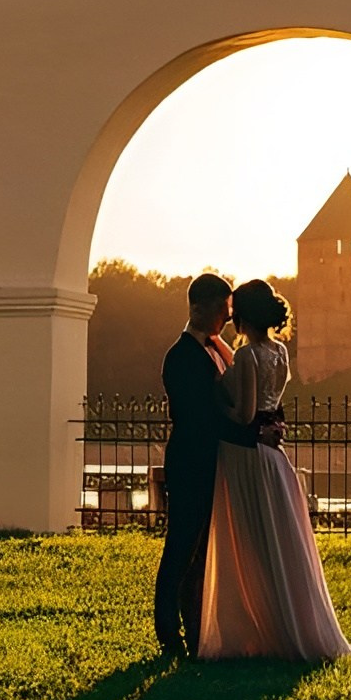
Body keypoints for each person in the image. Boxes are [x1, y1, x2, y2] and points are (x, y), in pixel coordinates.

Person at [198, 278, 351, 662]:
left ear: (242, 316)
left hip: (245, 455)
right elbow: (268, 403)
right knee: (276, 543)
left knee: (249, 543)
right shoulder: (280, 352)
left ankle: (257, 624)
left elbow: (245, 414)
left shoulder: (250, 357)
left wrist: (213, 402)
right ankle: (277, 620)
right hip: (273, 455)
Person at [155, 273, 253, 657]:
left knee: (201, 553)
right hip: (190, 461)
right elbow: (200, 415)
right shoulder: (180, 356)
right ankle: (169, 632)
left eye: (228, 311)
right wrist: (248, 434)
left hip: (211, 461)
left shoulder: (216, 349)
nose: (226, 319)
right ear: (197, 307)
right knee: (181, 547)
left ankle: (195, 631)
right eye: (220, 309)